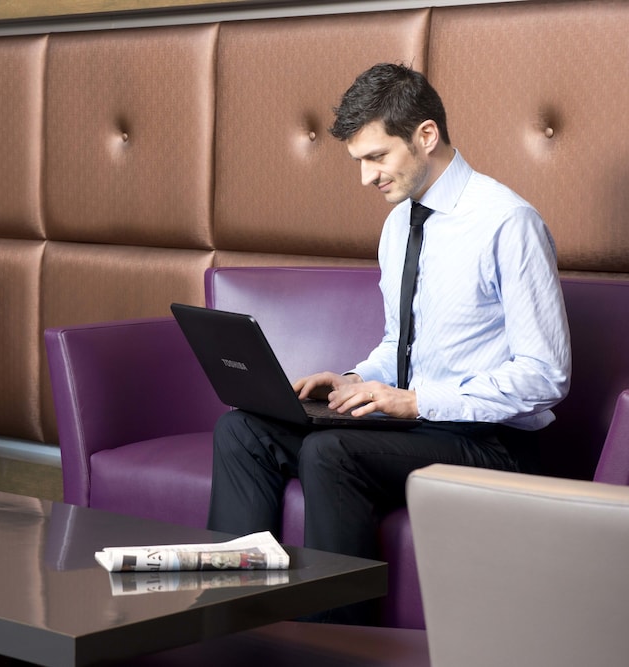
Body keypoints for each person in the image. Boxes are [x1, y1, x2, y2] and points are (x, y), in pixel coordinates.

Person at [205, 63, 571, 623]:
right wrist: (354, 378)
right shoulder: (400, 223)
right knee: (243, 427)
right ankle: (230, 622)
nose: (366, 177)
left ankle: (336, 647)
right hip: (417, 428)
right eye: (359, 162)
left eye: (376, 157)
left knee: (330, 451)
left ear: (425, 135)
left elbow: (545, 377)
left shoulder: (507, 223)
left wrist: (418, 401)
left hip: (491, 443)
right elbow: (403, 343)